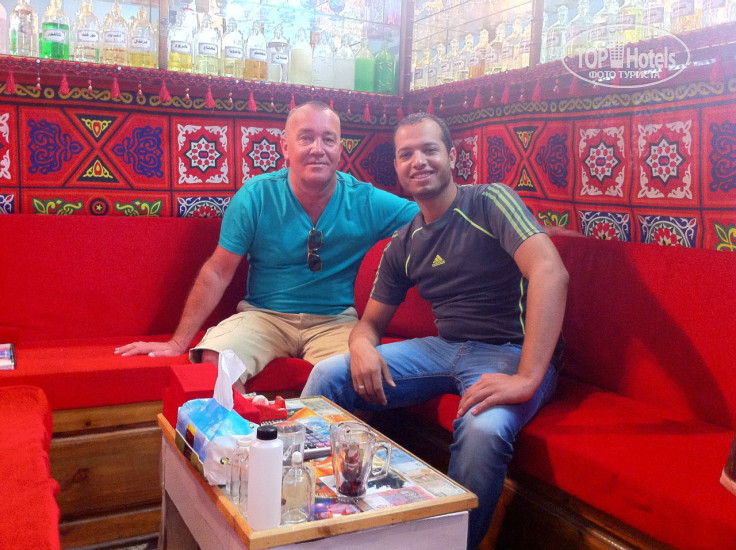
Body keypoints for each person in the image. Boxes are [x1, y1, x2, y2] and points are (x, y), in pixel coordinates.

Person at [302, 112, 569, 549]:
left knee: (483, 430)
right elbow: (369, 323)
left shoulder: (489, 201)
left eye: (429, 149)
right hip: (444, 349)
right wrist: (363, 347)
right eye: (406, 154)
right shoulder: (404, 241)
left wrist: (526, 377)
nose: (418, 161)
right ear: (397, 166)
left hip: (510, 351)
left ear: (452, 156)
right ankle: (314, 522)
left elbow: (550, 272)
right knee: (328, 374)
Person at [114, 101, 419, 387]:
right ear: (285, 147)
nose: (318, 149)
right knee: (217, 361)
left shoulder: (365, 199)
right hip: (263, 317)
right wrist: (177, 343)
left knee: (361, 374)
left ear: (340, 149)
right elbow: (217, 272)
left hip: (336, 322)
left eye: (328, 139)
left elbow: (432, 217)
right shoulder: (256, 196)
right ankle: (246, 424)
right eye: (306, 138)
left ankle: (314, 427)